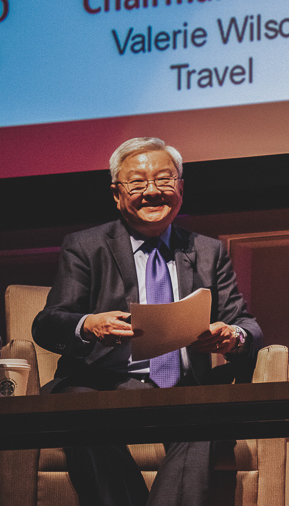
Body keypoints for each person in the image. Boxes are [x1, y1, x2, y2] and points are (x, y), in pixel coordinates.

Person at [32, 137, 264, 506]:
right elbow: (49, 323)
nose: (152, 192)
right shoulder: (85, 245)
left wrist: (230, 335)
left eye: (164, 180)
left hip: (184, 392)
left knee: (208, 415)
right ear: (116, 194)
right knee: (77, 409)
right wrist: (89, 325)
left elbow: (247, 325)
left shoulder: (207, 251)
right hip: (102, 388)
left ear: (181, 188)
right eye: (138, 183)